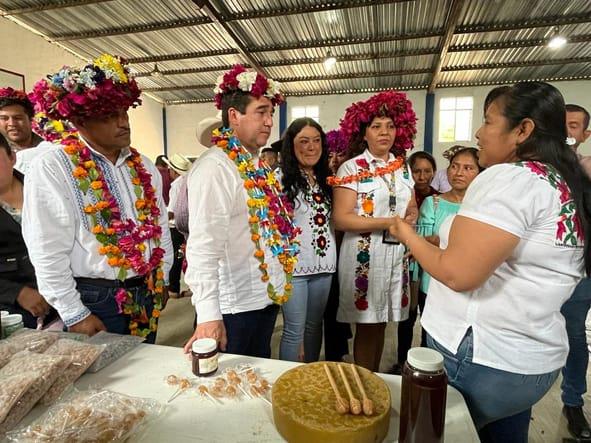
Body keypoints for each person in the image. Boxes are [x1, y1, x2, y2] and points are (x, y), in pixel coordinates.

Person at [389, 82, 591, 443]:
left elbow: (456, 273)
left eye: (488, 121)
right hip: (528, 361)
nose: (479, 133)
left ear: (523, 130)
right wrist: (444, 239)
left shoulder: (510, 177)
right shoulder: (561, 181)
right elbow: (516, 248)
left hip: (480, 355)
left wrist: (405, 233)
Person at [23, 54, 173, 342]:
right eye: (108, 116)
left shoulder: (143, 167)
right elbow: (46, 248)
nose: (122, 123)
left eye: (124, 113)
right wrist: (74, 312)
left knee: (145, 371)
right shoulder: (55, 166)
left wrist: (162, 277)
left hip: (146, 291)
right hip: (95, 299)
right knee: (103, 383)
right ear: (80, 121)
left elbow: (160, 227)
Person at [183, 65, 300, 358]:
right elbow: (203, 246)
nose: (269, 121)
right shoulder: (216, 167)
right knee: (225, 391)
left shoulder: (258, 166)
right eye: (261, 112)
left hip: (263, 299)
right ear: (234, 116)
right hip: (233, 309)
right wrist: (209, 316)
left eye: (271, 113)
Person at [331, 90, 418, 371]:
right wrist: (389, 223)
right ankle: (363, 383)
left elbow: (412, 206)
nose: (385, 132)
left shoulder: (402, 168)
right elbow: (342, 219)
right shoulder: (351, 167)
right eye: (376, 126)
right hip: (363, 260)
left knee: (382, 324)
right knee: (367, 327)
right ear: (364, 133)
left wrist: (410, 219)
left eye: (390, 126)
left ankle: (374, 378)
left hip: (394, 258)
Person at [394, 147, 481, 374]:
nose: (459, 172)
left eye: (468, 168)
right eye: (455, 166)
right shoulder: (432, 203)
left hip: (463, 282)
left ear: (480, 173)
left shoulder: (483, 207)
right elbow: (420, 241)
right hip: (430, 280)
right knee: (427, 328)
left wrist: (438, 239)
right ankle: (417, 369)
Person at [278, 117, 336, 362]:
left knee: (315, 327)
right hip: (294, 269)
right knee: (294, 331)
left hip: (325, 266)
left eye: (316, 140)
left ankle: (311, 378)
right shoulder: (279, 179)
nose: (311, 147)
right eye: (304, 141)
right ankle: (288, 385)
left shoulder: (327, 179)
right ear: (291, 146)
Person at [0, 133, 54, 328]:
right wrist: (17, 293)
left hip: (68, 295)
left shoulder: (44, 189)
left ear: (12, 157)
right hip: (15, 310)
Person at [560, 103, 591, 439]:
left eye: (572, 126)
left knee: (574, 337)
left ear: (585, 134)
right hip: (542, 272)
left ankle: (572, 401)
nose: (565, 131)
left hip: (581, 271)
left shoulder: (586, 169)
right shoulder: (539, 168)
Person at [323, 128, 352, 361]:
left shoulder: (352, 181)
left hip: (347, 250)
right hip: (324, 254)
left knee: (340, 306)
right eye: (330, 153)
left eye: (340, 153)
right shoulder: (320, 181)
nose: (334, 159)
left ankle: (338, 351)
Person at [164, 154, 191, 299]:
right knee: (185, 257)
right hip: (187, 228)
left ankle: (173, 288)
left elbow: (173, 211)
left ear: (173, 171)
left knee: (176, 258)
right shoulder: (188, 181)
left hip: (176, 229)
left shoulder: (176, 186)